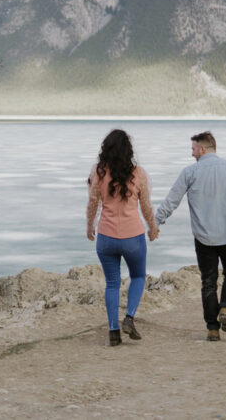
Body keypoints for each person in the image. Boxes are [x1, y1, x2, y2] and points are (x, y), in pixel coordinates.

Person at [155, 131, 226, 341]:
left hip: (204, 237)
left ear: (203, 149)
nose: (191, 152)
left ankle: (212, 328)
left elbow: (171, 201)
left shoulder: (190, 172)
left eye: (193, 148)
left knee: (208, 281)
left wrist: (156, 222)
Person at [87, 129, 159, 346]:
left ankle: (113, 332)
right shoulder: (139, 173)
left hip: (106, 237)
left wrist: (89, 226)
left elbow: (92, 203)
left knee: (112, 283)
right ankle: (129, 317)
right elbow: (146, 206)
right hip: (132, 237)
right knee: (138, 277)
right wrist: (153, 228)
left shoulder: (98, 172)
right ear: (129, 150)